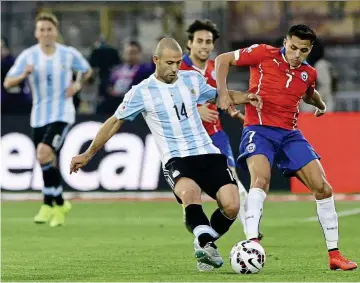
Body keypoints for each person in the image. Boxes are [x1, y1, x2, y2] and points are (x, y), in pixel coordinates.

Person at [69, 38, 262, 270]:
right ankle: (206, 243)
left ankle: (203, 241)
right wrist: (88, 154)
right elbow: (113, 123)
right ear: (156, 60)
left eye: (178, 63)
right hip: (176, 158)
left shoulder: (191, 79)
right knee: (190, 194)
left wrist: (246, 97)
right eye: (169, 63)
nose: (174, 68)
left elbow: (218, 95)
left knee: (232, 206)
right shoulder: (141, 92)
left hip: (207, 152)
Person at [215, 24, 357, 271]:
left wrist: (321, 105)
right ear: (285, 42)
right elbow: (222, 59)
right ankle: (252, 242)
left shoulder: (308, 73)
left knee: (323, 188)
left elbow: (308, 94)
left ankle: (334, 255)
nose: (296, 54)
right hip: (259, 130)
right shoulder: (262, 53)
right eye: (292, 48)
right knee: (260, 180)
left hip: (290, 135)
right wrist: (223, 94)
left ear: (309, 49)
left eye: (303, 50)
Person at [4, 13, 92, 227]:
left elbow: (87, 71)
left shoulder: (68, 54)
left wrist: (78, 85)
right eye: (41, 29)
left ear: (55, 31)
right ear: (36, 33)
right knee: (48, 161)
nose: (45, 33)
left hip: (62, 113)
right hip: (38, 115)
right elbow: (7, 83)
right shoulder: (28, 56)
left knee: (43, 153)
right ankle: (60, 205)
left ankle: (46, 203)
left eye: (49, 29)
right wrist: (23, 75)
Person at [179, 19, 262, 241]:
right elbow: (168, 106)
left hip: (216, 137)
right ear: (189, 44)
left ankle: (251, 235)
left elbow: (221, 97)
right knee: (192, 192)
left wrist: (232, 111)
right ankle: (200, 231)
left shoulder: (217, 67)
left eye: (208, 42)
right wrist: (197, 111)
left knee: (235, 185)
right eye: (199, 41)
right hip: (188, 141)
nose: (204, 46)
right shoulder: (178, 69)